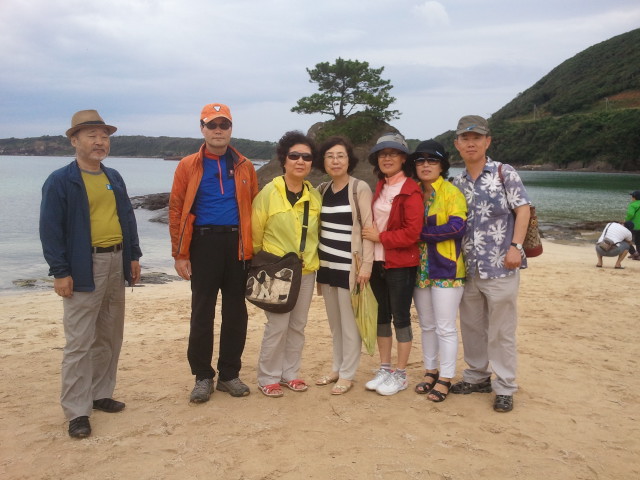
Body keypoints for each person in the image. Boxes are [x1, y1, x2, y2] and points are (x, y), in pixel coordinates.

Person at [40, 110, 142, 439]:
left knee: (109, 336)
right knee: (79, 342)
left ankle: (100, 394)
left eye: (104, 136)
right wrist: (60, 272)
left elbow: (126, 218)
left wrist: (134, 256)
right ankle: (77, 411)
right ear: (75, 141)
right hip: (84, 265)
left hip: (116, 261)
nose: (100, 142)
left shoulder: (114, 176)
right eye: (91, 136)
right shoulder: (61, 180)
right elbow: (50, 230)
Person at [169, 103, 258, 403]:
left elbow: (254, 208)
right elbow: (176, 209)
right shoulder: (187, 165)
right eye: (212, 125)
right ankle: (203, 376)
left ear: (231, 129)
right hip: (203, 244)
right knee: (202, 313)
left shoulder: (245, 165)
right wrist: (180, 254)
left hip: (237, 245)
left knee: (236, 312)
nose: (218, 130)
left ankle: (229, 374)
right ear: (202, 128)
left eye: (224, 125)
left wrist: (255, 250)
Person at [451, 115, 531, 413]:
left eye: (477, 138)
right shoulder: (457, 182)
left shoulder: (504, 172)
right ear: (457, 144)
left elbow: (523, 210)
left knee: (501, 329)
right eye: (465, 138)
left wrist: (516, 247)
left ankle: (505, 385)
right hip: (468, 267)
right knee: (472, 326)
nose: (471, 143)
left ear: (487, 141)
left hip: (501, 265)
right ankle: (477, 376)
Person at [252, 131, 321, 397]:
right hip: (277, 270)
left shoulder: (314, 196)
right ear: (284, 159)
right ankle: (268, 376)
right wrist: (261, 265)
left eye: (306, 157)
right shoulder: (269, 193)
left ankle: (290, 373)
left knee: (298, 325)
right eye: (294, 156)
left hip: (306, 270)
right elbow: (256, 233)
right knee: (278, 325)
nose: (300, 161)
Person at [361, 133, 423, 396]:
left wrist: (381, 238)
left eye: (393, 153)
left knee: (401, 317)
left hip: (401, 264)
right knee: (381, 316)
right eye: (382, 154)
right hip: (377, 262)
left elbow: (413, 233)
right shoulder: (380, 186)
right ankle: (385, 368)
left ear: (403, 158)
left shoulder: (411, 190)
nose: (387, 158)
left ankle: (401, 373)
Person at [314, 136, 374, 395]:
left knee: (350, 325)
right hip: (326, 265)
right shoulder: (322, 189)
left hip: (350, 266)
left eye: (340, 156)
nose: (335, 161)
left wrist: (366, 266)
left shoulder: (359, 188)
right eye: (330, 156)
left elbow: (368, 228)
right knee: (335, 324)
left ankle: (348, 374)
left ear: (349, 160)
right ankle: (336, 368)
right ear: (323, 161)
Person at [410, 140, 467, 403]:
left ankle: (445, 377)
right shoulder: (413, 192)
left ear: (442, 165)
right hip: (420, 268)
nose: (425, 165)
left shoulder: (451, 193)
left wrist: (418, 234)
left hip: (447, 267)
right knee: (427, 325)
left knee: (445, 327)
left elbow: (457, 227)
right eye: (420, 161)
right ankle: (430, 370)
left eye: (432, 160)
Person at [625, 191, 640, 259]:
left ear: (634, 197)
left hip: (633, 226)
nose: (631, 198)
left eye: (632, 196)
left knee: (626, 240)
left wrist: (626, 220)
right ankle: (638, 254)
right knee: (638, 240)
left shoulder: (632, 205)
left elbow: (630, 214)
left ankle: (634, 253)